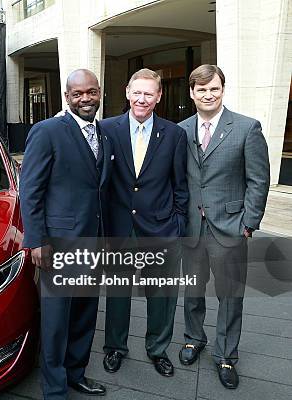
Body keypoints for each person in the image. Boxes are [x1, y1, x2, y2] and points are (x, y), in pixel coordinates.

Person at [20, 69, 111, 399]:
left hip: (94, 242)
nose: (85, 98)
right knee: (56, 322)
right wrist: (36, 241)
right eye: (78, 94)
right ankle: (55, 389)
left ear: (99, 93)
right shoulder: (47, 131)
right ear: (67, 97)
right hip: (58, 244)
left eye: (91, 92)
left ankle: (76, 374)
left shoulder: (104, 134)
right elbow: (30, 191)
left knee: (85, 315)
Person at [178, 64, 269, 389]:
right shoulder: (182, 130)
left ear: (222, 90)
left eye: (213, 88)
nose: (208, 94)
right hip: (191, 227)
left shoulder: (247, 128)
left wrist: (249, 224)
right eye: (201, 89)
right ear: (192, 93)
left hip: (231, 227)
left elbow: (258, 179)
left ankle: (226, 355)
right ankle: (193, 338)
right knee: (192, 290)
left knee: (230, 296)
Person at [101, 68, 188, 377]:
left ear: (159, 97)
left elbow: (180, 185)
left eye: (149, 93)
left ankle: (158, 349)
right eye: (137, 92)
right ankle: (114, 347)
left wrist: (177, 227)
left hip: (161, 229)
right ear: (127, 92)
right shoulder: (106, 129)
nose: (142, 99)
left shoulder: (174, 134)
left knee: (162, 296)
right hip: (119, 228)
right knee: (118, 293)